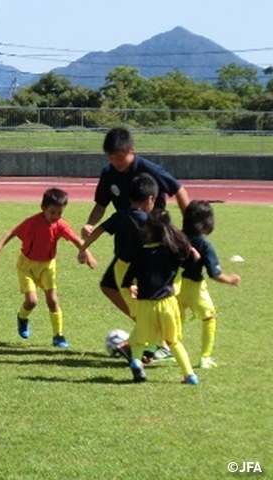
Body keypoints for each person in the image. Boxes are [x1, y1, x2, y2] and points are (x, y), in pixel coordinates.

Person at [81, 127, 189, 360]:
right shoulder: (109, 173)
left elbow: (179, 189)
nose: (115, 163)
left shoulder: (149, 170)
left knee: (147, 295)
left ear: (132, 151)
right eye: (111, 158)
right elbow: (101, 204)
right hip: (126, 243)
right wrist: (90, 224)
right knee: (109, 287)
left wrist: (188, 225)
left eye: (119, 158)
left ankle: (159, 343)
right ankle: (150, 331)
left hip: (150, 245)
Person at [0, 188, 96, 348]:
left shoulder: (60, 225)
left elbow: (77, 240)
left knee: (53, 300)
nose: (56, 217)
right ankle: (22, 318)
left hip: (47, 266)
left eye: (59, 213)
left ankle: (58, 335)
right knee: (31, 301)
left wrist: (88, 254)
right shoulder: (32, 223)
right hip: (26, 266)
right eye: (52, 212)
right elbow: (13, 232)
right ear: (43, 208)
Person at [122, 209, 200, 385]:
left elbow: (127, 280)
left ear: (148, 229)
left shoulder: (141, 253)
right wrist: (188, 247)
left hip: (145, 305)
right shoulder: (172, 252)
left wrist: (132, 286)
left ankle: (136, 362)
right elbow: (195, 258)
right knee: (174, 341)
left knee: (139, 341)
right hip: (168, 304)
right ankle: (190, 375)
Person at [177, 200, 240, 369]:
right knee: (209, 318)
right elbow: (215, 274)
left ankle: (167, 351)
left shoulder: (176, 236)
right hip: (195, 288)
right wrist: (231, 280)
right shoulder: (205, 245)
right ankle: (204, 357)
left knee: (174, 321)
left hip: (174, 286)